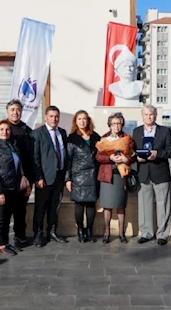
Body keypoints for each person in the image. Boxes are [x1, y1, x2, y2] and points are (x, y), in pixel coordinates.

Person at [132, 105, 171, 245]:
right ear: (142, 116)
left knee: (163, 205)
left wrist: (158, 154)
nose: (148, 117)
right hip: (143, 173)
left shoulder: (165, 131)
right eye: (146, 115)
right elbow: (132, 151)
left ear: (155, 115)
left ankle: (162, 234)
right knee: (144, 205)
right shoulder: (137, 131)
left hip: (160, 172)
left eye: (151, 114)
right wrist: (136, 158)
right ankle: (146, 232)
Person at [0, 120, 27, 255]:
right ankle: (1, 245)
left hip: (12, 188)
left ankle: (6, 242)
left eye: (7, 129)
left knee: (6, 217)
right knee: (0, 218)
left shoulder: (12, 145)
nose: (5, 132)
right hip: (1, 189)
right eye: (2, 129)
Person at [95, 112, 135, 244]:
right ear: (109, 125)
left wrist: (126, 158)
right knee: (107, 206)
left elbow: (133, 155)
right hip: (107, 175)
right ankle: (107, 232)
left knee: (120, 205)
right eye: (114, 124)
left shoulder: (128, 138)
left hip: (121, 176)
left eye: (119, 123)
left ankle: (122, 233)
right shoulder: (104, 138)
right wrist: (110, 158)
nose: (116, 126)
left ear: (122, 124)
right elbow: (98, 157)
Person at [32, 106, 69, 246]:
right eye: (51, 116)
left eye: (56, 116)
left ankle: (52, 232)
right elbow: (35, 158)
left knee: (55, 207)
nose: (54, 119)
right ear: (46, 117)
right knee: (41, 207)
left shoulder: (62, 133)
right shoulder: (38, 133)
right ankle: (38, 234)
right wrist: (38, 177)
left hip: (59, 176)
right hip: (45, 177)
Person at [65, 111, 101, 243]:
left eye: (84, 119)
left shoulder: (96, 137)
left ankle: (89, 230)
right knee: (79, 205)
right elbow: (68, 160)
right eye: (79, 119)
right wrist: (68, 179)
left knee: (91, 205)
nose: (82, 121)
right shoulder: (71, 138)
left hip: (93, 176)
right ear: (76, 121)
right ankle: (80, 230)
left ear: (88, 121)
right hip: (78, 176)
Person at [6, 99, 35, 247]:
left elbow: (31, 157)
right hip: (7, 177)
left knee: (20, 209)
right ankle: (2, 240)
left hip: (24, 178)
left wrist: (30, 179)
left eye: (18, 110)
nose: (15, 112)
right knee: (5, 211)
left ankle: (20, 236)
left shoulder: (27, 131)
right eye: (12, 110)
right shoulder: (2, 128)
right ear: (7, 112)